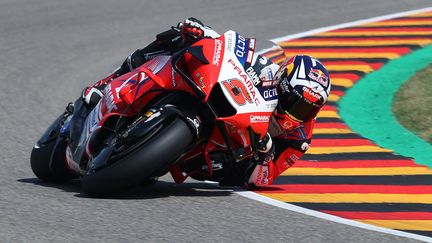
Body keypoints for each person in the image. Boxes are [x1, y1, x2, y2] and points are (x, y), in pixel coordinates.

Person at [79, 17, 331, 188]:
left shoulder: (300, 138)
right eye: (297, 104)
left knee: (231, 176)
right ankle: (107, 83)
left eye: (308, 110)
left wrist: (265, 155)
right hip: (216, 98)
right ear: (282, 84)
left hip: (224, 154)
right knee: (179, 38)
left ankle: (151, 159)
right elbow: (235, 49)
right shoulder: (266, 69)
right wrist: (207, 35)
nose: (298, 114)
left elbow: (266, 178)